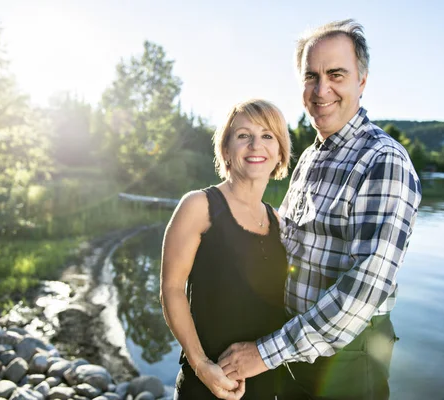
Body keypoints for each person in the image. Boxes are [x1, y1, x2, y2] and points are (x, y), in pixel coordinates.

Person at [218, 19, 422, 400]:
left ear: (361, 81)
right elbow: (291, 241)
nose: (321, 89)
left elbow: (363, 289)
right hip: (296, 345)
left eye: (336, 74)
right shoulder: (311, 156)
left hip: (348, 355)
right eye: (311, 76)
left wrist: (264, 353)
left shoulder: (384, 160)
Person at [160, 99, 293, 399]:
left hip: (266, 384)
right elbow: (171, 289)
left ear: (280, 153)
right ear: (226, 150)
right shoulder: (198, 206)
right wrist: (201, 364)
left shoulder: (278, 221)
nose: (256, 144)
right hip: (207, 384)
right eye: (244, 135)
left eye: (268, 136)